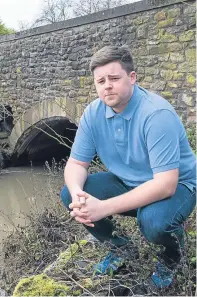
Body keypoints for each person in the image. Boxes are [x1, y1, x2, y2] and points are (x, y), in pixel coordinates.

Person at [60, 46, 196, 289]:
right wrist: (78, 193)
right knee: (70, 193)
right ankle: (120, 249)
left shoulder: (156, 114)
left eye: (114, 78)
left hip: (178, 188)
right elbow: (76, 164)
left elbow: (166, 184)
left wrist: (103, 208)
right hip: (128, 182)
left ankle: (172, 257)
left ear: (132, 78)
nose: (106, 86)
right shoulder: (93, 113)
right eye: (100, 81)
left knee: (153, 222)